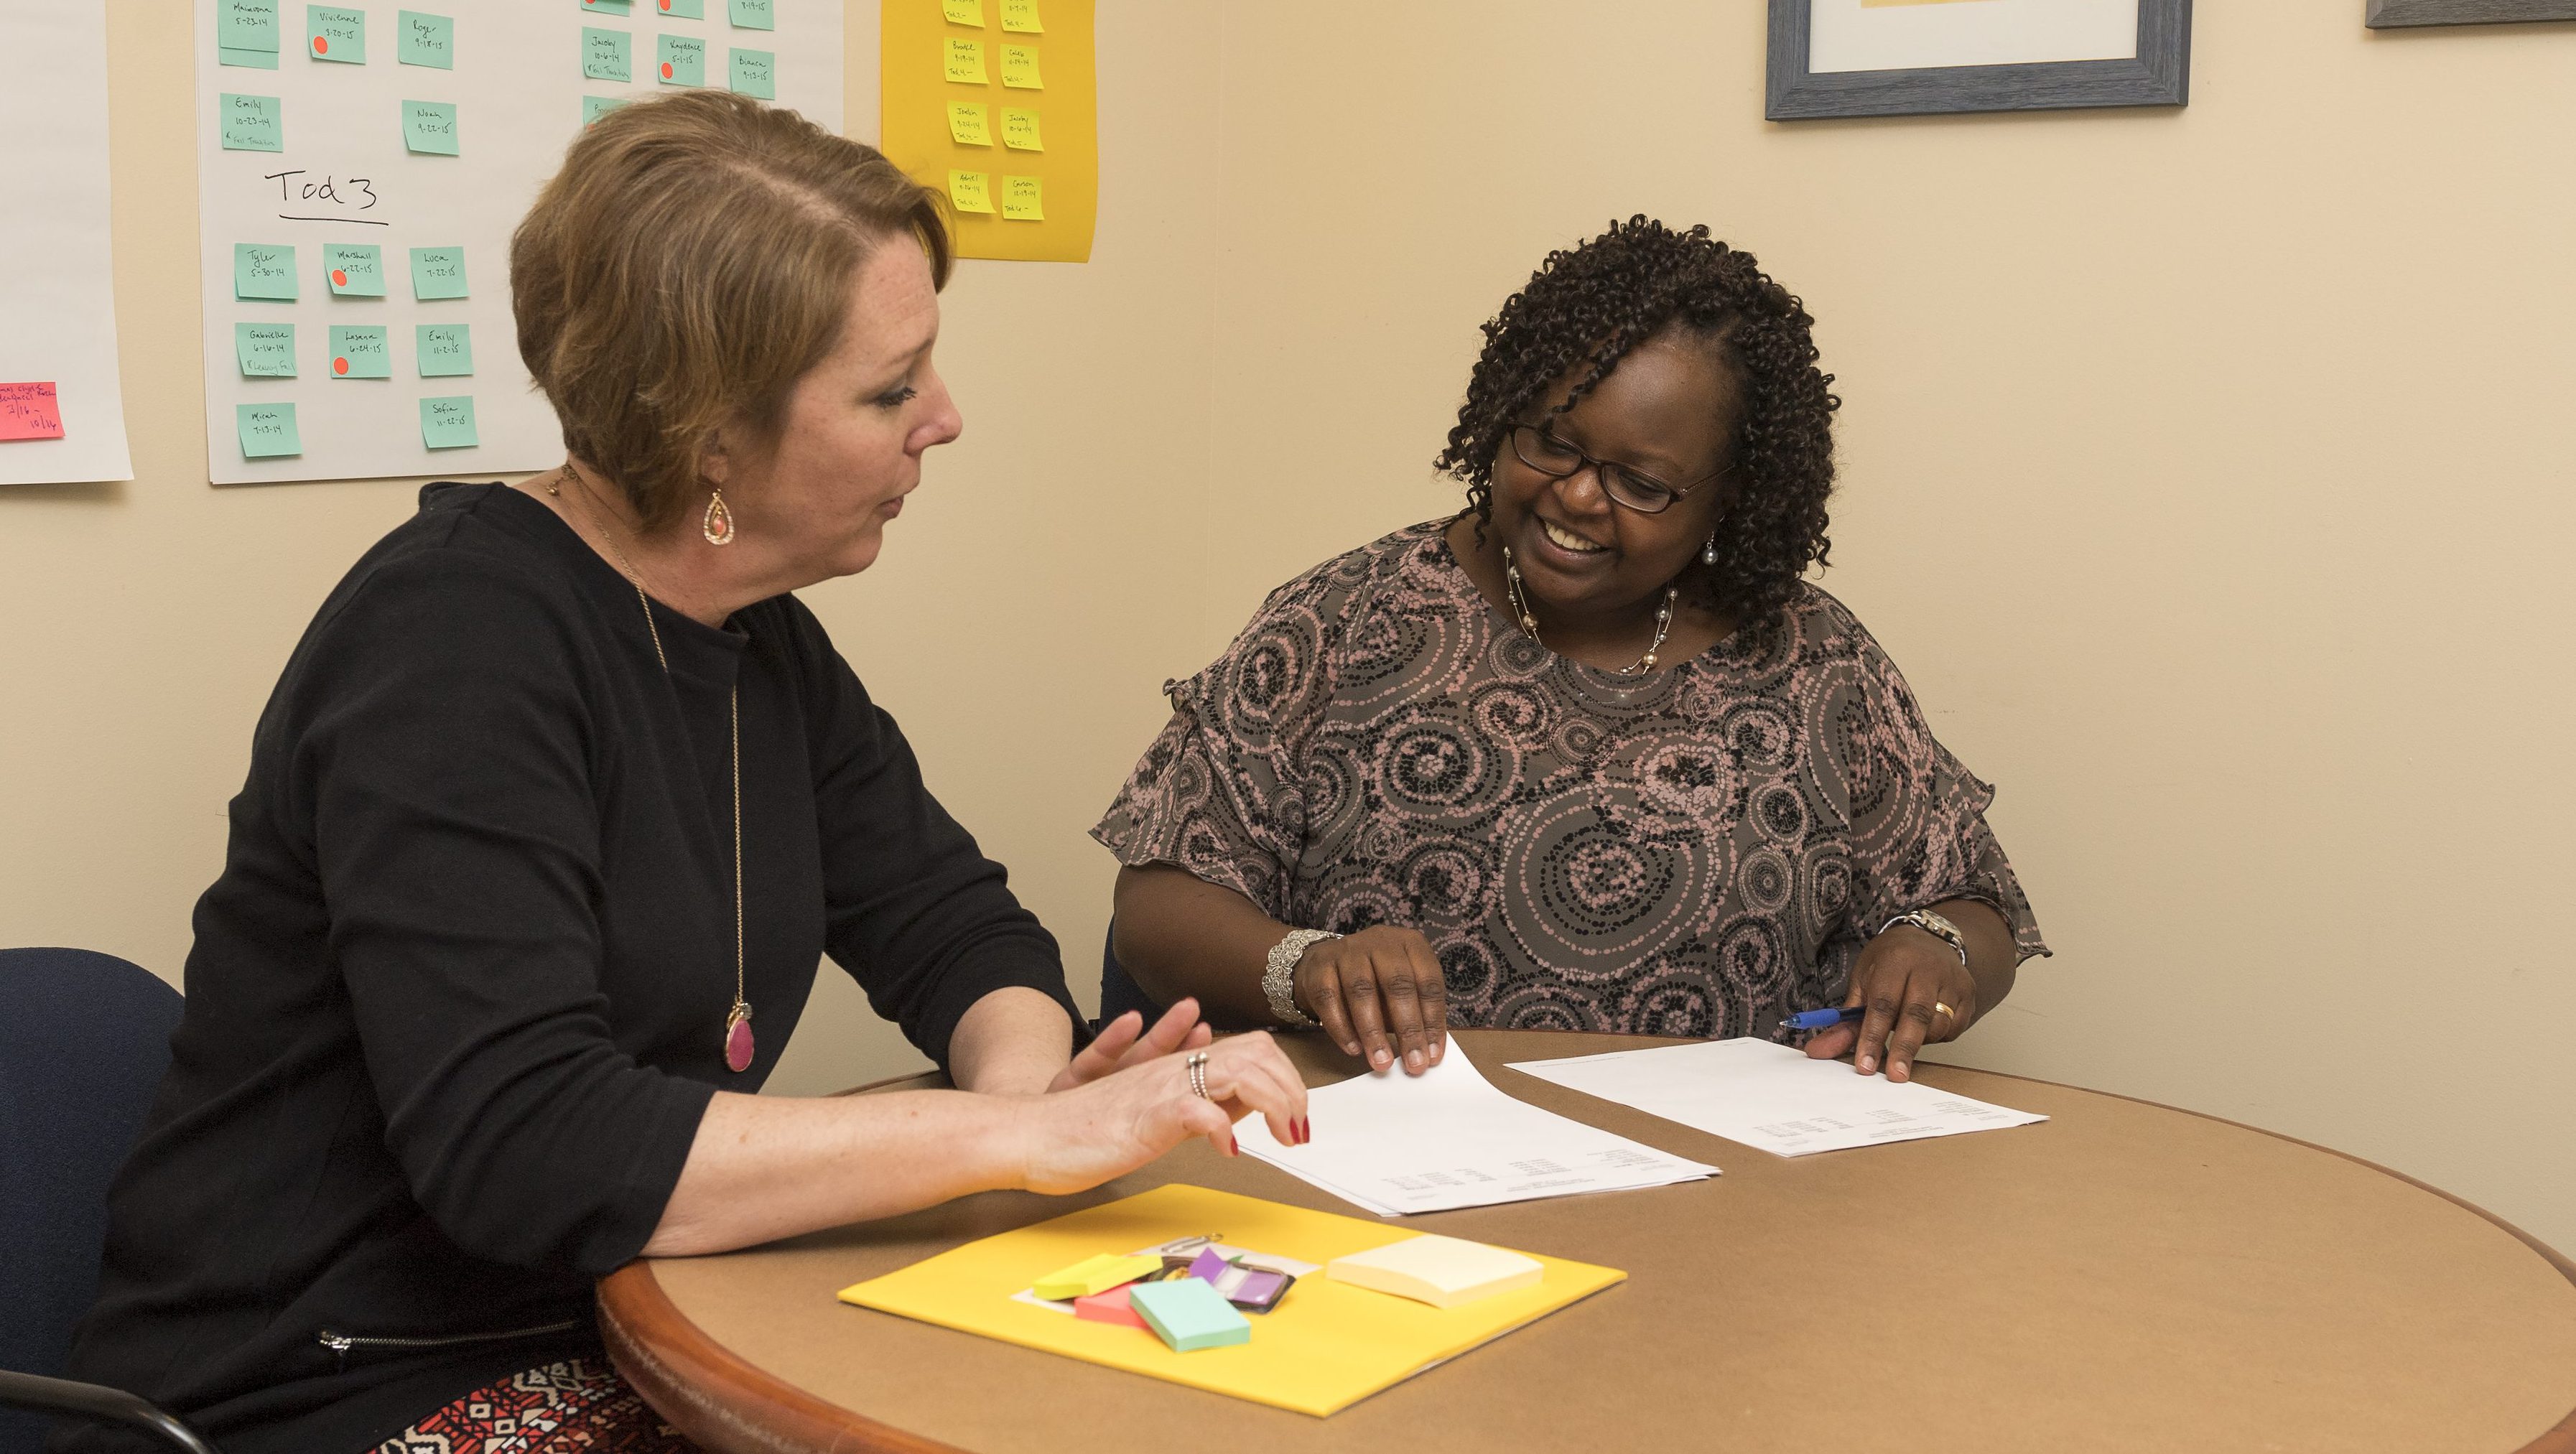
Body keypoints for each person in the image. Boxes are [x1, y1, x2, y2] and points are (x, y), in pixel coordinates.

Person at [60, 93, 1306, 1454]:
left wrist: (1025, 1095)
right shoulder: (449, 646)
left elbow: (961, 929)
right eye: (891, 388)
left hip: (624, 1318)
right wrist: (1011, 1144)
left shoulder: (754, 635)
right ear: (711, 436)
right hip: (326, 1382)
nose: (943, 419)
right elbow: (531, 1148)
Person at [1099, 218, 2047, 1089]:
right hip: (1386, 1167)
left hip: (1732, 1178)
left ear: (1732, 500)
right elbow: (1156, 902)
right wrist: (1306, 966)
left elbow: (1974, 905)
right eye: (1553, 443)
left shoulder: (1819, 665)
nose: (1579, 496)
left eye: (1640, 481)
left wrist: (1934, 950)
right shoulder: (1348, 620)